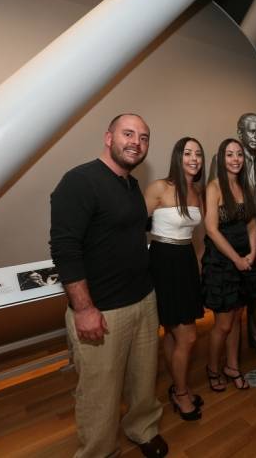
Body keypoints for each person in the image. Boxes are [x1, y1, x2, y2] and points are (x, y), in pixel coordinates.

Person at [50, 114, 167, 458]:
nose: (136, 142)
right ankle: (99, 452)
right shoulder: (79, 182)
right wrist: (84, 309)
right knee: (100, 392)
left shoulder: (131, 185)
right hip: (102, 311)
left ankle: (142, 428)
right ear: (108, 137)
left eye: (143, 137)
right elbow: (64, 249)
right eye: (128, 134)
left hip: (143, 301)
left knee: (143, 381)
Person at [144, 137, 205, 421]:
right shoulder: (159, 187)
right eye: (188, 153)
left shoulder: (197, 192)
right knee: (188, 336)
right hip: (163, 262)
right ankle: (181, 393)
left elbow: (196, 236)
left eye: (198, 154)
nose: (194, 158)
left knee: (171, 332)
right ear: (177, 156)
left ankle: (177, 386)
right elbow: (132, 228)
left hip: (185, 262)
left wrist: (199, 265)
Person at [209, 113, 256, 358]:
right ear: (240, 132)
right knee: (231, 304)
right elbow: (213, 209)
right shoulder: (221, 160)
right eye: (251, 130)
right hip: (230, 244)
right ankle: (230, 353)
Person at [203, 138, 256, 391]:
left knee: (238, 318)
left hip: (243, 259)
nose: (235, 159)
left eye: (239, 154)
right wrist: (236, 259)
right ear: (221, 158)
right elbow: (212, 230)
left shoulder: (244, 186)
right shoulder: (214, 187)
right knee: (224, 324)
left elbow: (251, 224)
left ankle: (232, 366)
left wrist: (251, 253)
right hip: (222, 262)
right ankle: (213, 368)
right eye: (230, 154)